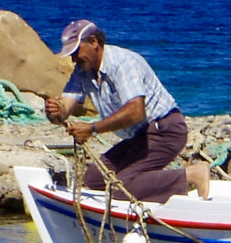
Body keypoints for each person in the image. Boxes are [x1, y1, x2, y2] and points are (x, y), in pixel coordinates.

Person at [44, 20, 211, 203]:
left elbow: (136, 111)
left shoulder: (122, 63)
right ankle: (156, 188)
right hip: (139, 137)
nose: (74, 59)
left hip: (165, 130)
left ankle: (192, 174)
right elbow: (64, 109)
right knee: (94, 179)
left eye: (76, 52)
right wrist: (55, 112)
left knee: (122, 187)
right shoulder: (83, 70)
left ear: (94, 42)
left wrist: (92, 129)